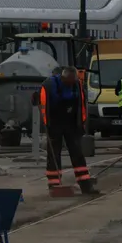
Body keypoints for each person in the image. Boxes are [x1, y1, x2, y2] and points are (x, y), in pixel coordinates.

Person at [40, 66, 98, 195]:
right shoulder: (49, 85)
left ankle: (85, 184)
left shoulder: (77, 85)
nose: (71, 84)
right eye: (69, 82)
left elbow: (81, 105)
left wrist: (81, 124)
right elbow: (44, 105)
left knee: (77, 153)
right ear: (63, 77)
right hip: (54, 123)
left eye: (73, 81)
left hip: (71, 123)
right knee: (54, 154)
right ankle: (54, 184)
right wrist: (47, 124)